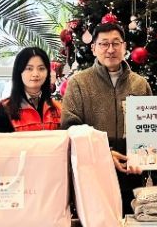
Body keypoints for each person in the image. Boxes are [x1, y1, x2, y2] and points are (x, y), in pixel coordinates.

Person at [60, 22, 152, 213]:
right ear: (93, 48)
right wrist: (105, 153)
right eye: (104, 44)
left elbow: (152, 127)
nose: (110, 49)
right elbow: (70, 127)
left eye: (116, 43)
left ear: (124, 47)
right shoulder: (78, 83)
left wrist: (144, 157)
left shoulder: (140, 84)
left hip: (131, 173)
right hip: (93, 175)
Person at [0, 47, 61, 132]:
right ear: (19, 72)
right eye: (29, 68)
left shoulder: (58, 108)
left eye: (41, 68)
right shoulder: (4, 108)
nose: (35, 74)